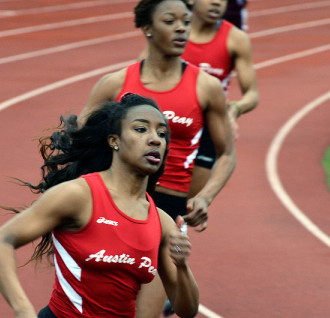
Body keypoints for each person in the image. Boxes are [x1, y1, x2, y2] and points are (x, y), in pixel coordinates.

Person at [78, 0, 236, 317]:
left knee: (148, 312)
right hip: (114, 203)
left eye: (186, 21)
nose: (181, 27)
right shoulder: (115, 84)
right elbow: (79, 143)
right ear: (148, 28)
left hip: (168, 207)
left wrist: (205, 197)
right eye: (170, 20)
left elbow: (227, 154)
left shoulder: (206, 87)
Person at [0, 93, 200, 318]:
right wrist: (24, 311)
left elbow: (188, 310)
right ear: (114, 140)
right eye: (141, 129)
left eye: (162, 133)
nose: (155, 138)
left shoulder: (161, 222)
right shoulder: (79, 195)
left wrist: (182, 266)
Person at [180, 0, 259, 199]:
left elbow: (252, 93)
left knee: (185, 202)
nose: (217, 2)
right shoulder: (174, 31)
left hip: (208, 125)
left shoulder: (236, 39)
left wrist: (234, 109)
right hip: (170, 118)